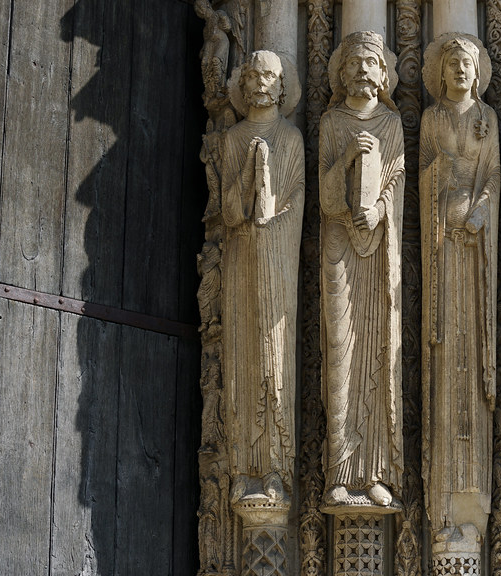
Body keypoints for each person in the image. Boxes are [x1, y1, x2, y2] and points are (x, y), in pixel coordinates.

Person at [210, 50, 305, 506]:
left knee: (272, 358)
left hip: (277, 261)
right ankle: (242, 467)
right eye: (254, 76)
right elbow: (228, 211)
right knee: (242, 359)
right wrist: (248, 176)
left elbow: (296, 201)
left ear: (282, 87)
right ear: (243, 84)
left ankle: (274, 469)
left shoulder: (291, 138)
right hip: (241, 259)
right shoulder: (233, 139)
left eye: (270, 76)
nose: (261, 83)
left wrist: (272, 222)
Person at [419, 33, 499, 553]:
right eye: (452, 64)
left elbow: (493, 177)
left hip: (475, 254)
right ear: (442, 73)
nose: (460, 70)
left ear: (477, 72)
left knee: (472, 361)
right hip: (442, 255)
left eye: (467, 63)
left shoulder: (488, 120)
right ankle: (445, 501)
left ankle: (472, 500)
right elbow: (424, 173)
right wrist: (441, 176)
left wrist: (480, 209)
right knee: (446, 360)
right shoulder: (431, 120)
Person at [318, 30, 405, 510]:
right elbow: (326, 195)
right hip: (340, 248)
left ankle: (373, 471)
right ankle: (338, 471)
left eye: (370, 62)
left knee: (377, 351)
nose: (361, 69)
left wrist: (380, 212)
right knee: (341, 355)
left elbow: (396, 185)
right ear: (341, 73)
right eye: (352, 62)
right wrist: (348, 157)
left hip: (378, 248)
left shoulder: (392, 125)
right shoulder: (332, 124)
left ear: (383, 74)